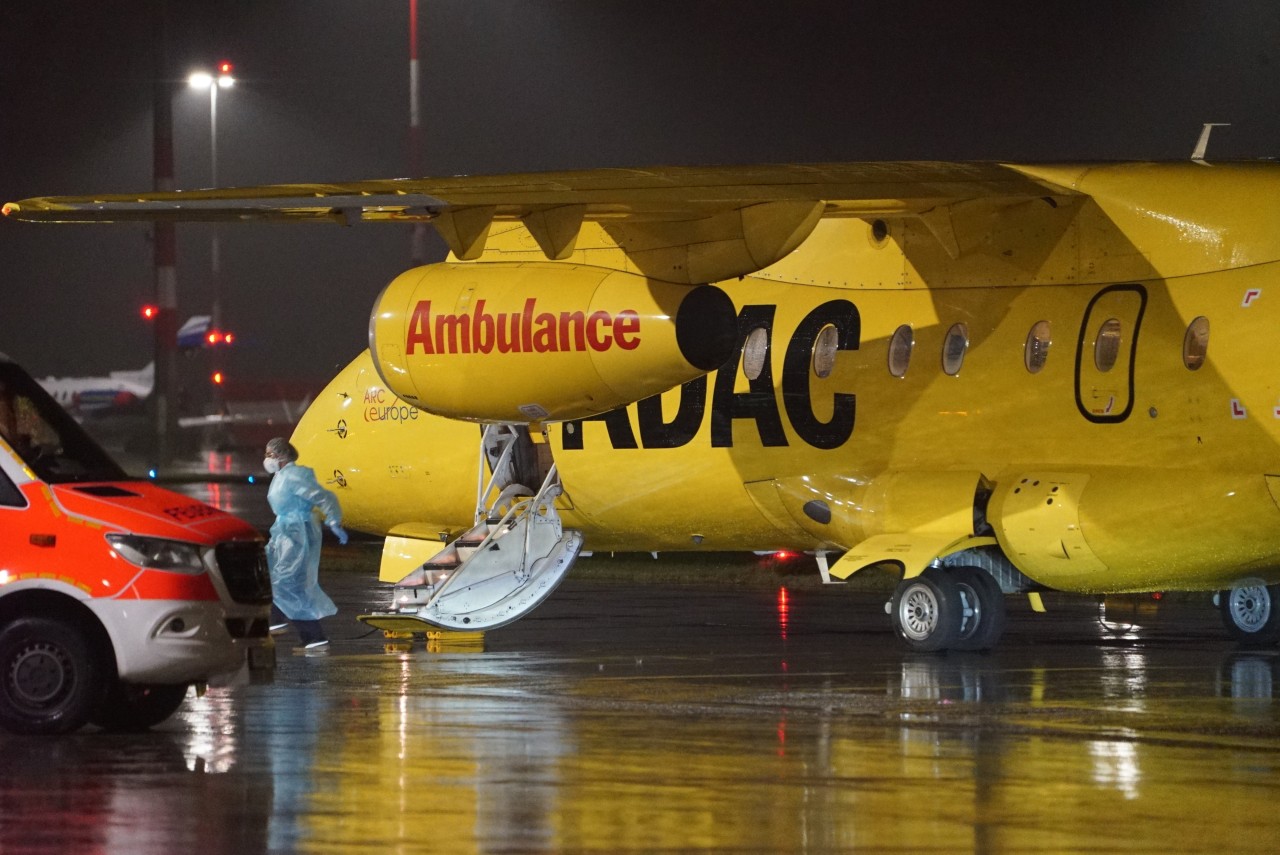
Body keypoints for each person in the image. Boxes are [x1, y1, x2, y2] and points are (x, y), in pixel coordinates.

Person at [262, 437, 348, 650]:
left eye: (270, 454)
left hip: (297, 532)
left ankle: (277, 622)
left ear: (282, 456)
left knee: (285, 580)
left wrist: (334, 521)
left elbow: (323, 497)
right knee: (286, 583)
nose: (267, 459)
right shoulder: (281, 476)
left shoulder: (294, 475)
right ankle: (312, 637)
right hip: (285, 532)